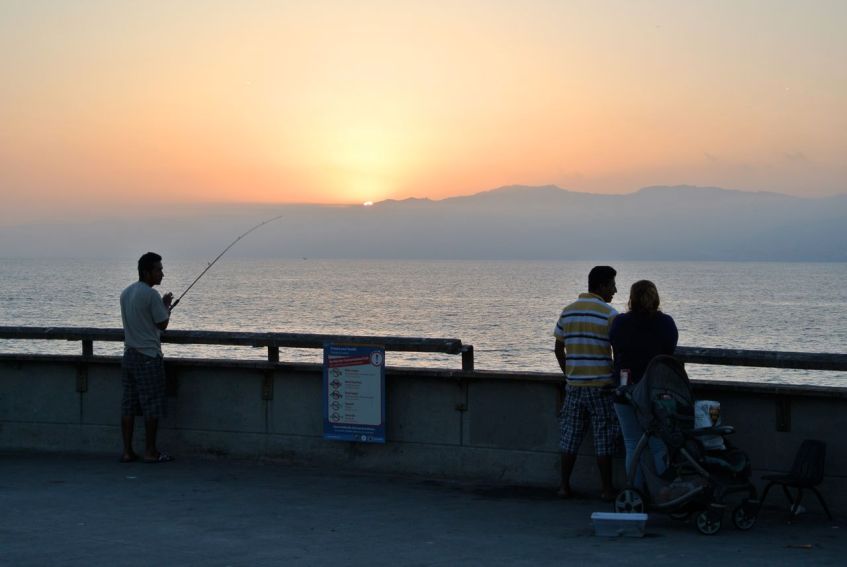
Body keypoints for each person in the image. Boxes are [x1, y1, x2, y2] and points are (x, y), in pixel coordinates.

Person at [553, 266, 618, 500]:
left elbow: (558, 348)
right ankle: (606, 490)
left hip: (574, 386)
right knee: (603, 438)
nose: (615, 290)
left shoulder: (568, 312)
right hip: (602, 386)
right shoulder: (610, 314)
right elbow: (619, 351)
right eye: (612, 285)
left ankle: (563, 486)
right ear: (601, 286)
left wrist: (568, 373)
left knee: (570, 437)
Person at [610, 280, 678, 486]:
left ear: (631, 299)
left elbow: (616, 348)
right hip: (655, 391)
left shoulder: (620, 322)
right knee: (658, 444)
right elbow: (669, 352)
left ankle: (635, 492)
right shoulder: (666, 323)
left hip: (626, 389)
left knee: (632, 443)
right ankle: (662, 492)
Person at [119, 252, 174, 463]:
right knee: (152, 405)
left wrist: (162, 305)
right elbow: (162, 324)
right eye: (158, 269)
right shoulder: (151, 295)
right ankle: (150, 451)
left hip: (129, 355)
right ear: (146, 272)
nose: (162, 273)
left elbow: (141, 319)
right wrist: (166, 305)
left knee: (128, 405)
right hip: (149, 356)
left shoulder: (126, 293)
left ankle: (127, 451)